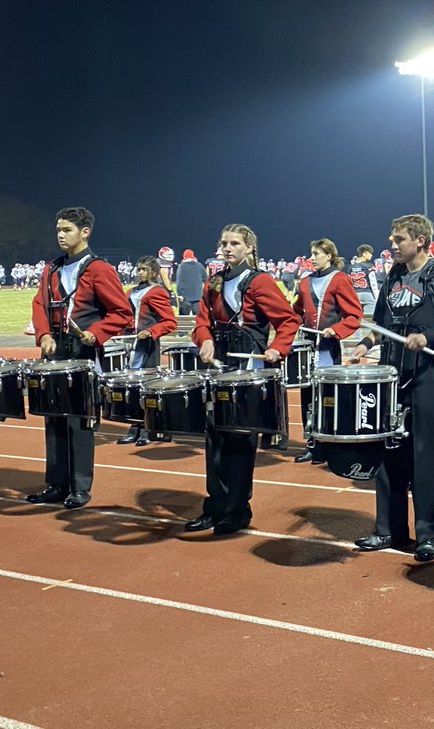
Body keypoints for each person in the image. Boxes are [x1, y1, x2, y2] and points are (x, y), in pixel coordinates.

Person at [350, 214, 434, 562]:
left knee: (424, 456)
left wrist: (429, 336)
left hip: (425, 378)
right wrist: (365, 343)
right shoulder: (393, 277)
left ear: (419, 240)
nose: (392, 244)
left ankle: (427, 535)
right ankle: (388, 530)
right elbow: (379, 325)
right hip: (391, 378)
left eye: (398, 238)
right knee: (387, 454)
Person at [188, 224, 300, 535]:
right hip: (219, 362)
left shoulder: (259, 281)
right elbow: (201, 320)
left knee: (239, 439)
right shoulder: (214, 280)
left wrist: (277, 348)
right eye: (223, 242)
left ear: (249, 248)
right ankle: (215, 506)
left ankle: (237, 510)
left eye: (234, 243)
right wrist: (205, 339)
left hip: (247, 363)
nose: (227, 248)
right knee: (215, 437)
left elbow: (289, 319)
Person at [27, 207, 133, 509]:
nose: (61, 235)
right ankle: (57, 484)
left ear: (85, 232)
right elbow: (39, 304)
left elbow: (122, 312)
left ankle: (80, 487)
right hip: (54, 351)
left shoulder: (99, 269)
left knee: (79, 422)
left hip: (84, 354)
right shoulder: (52, 268)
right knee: (54, 419)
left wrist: (96, 333)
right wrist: (43, 335)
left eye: (67, 230)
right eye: (58, 229)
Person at [292, 239, 363, 464]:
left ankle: (331, 444)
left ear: (329, 256)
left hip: (328, 348)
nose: (311, 258)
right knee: (307, 396)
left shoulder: (340, 279)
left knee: (327, 397)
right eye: (311, 253)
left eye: (316, 254)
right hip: (307, 346)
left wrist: (337, 329)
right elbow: (295, 312)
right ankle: (313, 445)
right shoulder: (304, 283)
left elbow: (354, 315)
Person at [119, 256, 178, 445]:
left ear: (153, 272)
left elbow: (170, 322)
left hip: (147, 346)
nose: (140, 273)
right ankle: (135, 426)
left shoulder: (157, 292)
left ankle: (149, 428)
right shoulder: (130, 292)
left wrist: (150, 332)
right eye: (139, 269)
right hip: (131, 346)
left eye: (144, 269)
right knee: (133, 388)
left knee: (147, 388)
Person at [348, 244, 380, 316]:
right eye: (370, 253)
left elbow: (349, 283)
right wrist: (377, 298)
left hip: (355, 295)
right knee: (369, 319)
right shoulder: (369, 266)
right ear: (364, 254)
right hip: (367, 294)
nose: (371, 255)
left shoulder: (351, 267)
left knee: (355, 318)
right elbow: (373, 283)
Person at [174, 249, 206, 316]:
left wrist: (179, 293)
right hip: (198, 296)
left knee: (183, 320)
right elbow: (205, 278)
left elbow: (179, 281)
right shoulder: (199, 265)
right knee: (198, 319)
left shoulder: (181, 266)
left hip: (185, 297)